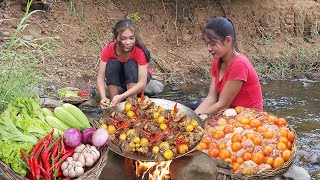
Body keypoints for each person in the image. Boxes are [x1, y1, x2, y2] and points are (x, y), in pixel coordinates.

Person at [194, 17, 263, 116]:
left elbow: (223, 104)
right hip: (230, 115)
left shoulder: (239, 64)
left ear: (228, 41)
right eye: (207, 44)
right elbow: (211, 98)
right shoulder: (217, 61)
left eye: (213, 44)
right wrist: (192, 116)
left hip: (249, 119)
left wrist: (197, 119)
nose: (209, 48)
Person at [96, 20, 152, 108]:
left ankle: (131, 102)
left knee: (130, 64)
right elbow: (100, 77)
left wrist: (122, 96)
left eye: (131, 38)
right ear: (115, 38)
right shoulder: (108, 49)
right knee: (112, 64)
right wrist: (103, 97)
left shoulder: (139, 51)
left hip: (137, 77)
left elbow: (142, 83)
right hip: (121, 77)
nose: (128, 42)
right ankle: (113, 102)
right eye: (123, 39)